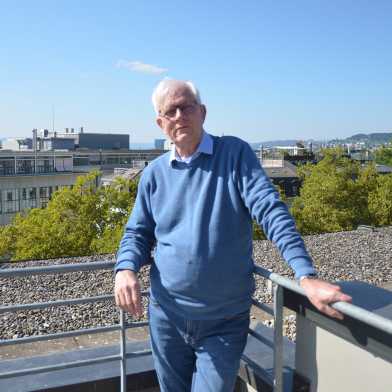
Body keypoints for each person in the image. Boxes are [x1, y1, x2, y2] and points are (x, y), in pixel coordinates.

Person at [114, 79, 352, 392]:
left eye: (186, 106)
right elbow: (138, 232)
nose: (179, 115)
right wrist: (125, 268)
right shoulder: (154, 174)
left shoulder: (234, 154)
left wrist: (305, 275)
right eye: (170, 111)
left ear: (202, 112)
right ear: (161, 123)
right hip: (166, 316)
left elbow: (270, 210)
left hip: (223, 321)